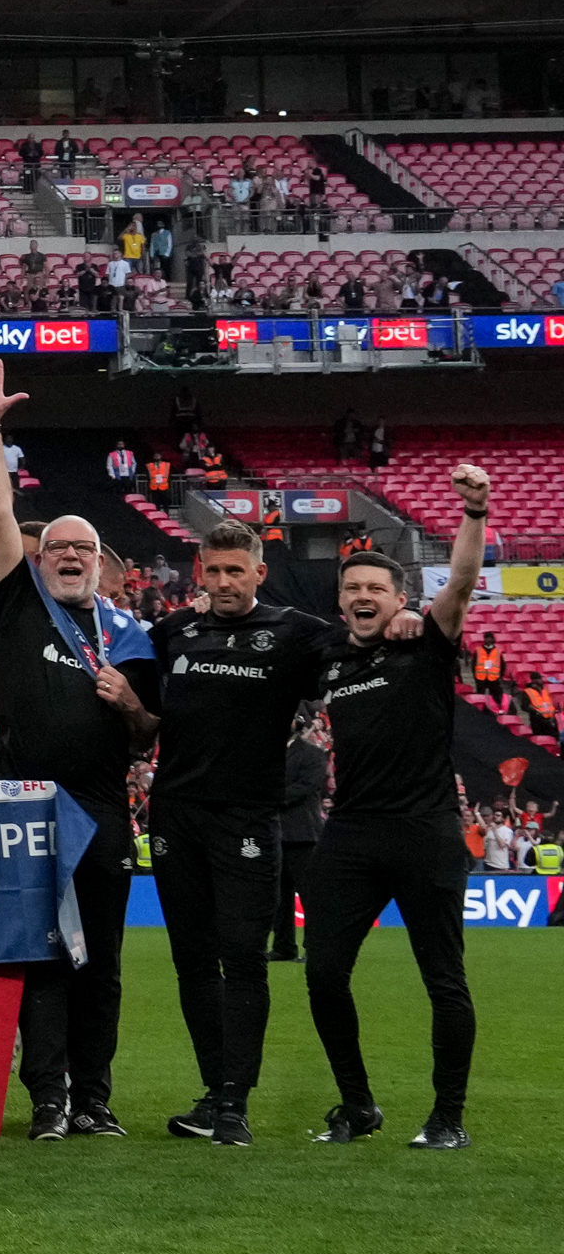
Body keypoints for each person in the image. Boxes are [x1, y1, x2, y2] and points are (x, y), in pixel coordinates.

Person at [0, 353, 160, 1142]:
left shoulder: (131, 632)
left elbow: (148, 733)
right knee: (42, 959)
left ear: (102, 563)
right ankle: (48, 1098)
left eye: (83, 549)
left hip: (103, 809)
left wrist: (132, 700)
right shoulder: (20, 605)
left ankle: (96, 1097)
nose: (69, 556)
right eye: (58, 548)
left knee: (100, 962)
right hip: (23, 808)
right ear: (40, 561)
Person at [146, 519, 349, 1145]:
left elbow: (360, 649)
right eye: (215, 570)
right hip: (175, 814)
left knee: (244, 959)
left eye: (238, 570)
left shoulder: (295, 633)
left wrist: (405, 622)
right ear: (198, 573)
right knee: (191, 962)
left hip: (248, 820)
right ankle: (214, 1094)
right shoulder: (170, 634)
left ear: (259, 573)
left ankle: (235, 1102)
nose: (226, 581)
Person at [309, 470, 492, 1150]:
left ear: (400, 598)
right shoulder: (327, 658)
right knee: (323, 973)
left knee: (443, 977)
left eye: (375, 588)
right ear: (340, 600)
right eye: (352, 588)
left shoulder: (424, 642)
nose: (362, 596)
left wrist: (473, 510)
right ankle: (358, 1106)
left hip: (424, 830)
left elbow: (465, 583)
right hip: (351, 834)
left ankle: (448, 1116)